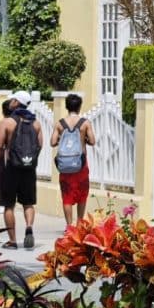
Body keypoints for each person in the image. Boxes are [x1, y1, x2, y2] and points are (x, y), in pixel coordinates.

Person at [0, 90, 39, 251]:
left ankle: (13, 240)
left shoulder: (7, 123)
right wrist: (28, 159)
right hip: (29, 169)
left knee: (9, 205)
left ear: (16, 103)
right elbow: (39, 145)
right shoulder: (35, 123)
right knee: (28, 203)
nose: (10, 102)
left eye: (12, 100)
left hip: (11, 168)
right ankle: (29, 227)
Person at [51, 92, 95, 227]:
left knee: (67, 196)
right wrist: (84, 139)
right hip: (80, 164)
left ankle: (69, 226)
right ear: (79, 106)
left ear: (67, 107)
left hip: (65, 165)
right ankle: (80, 224)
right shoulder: (85, 123)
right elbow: (93, 141)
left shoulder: (60, 124)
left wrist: (62, 139)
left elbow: (52, 142)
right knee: (82, 193)